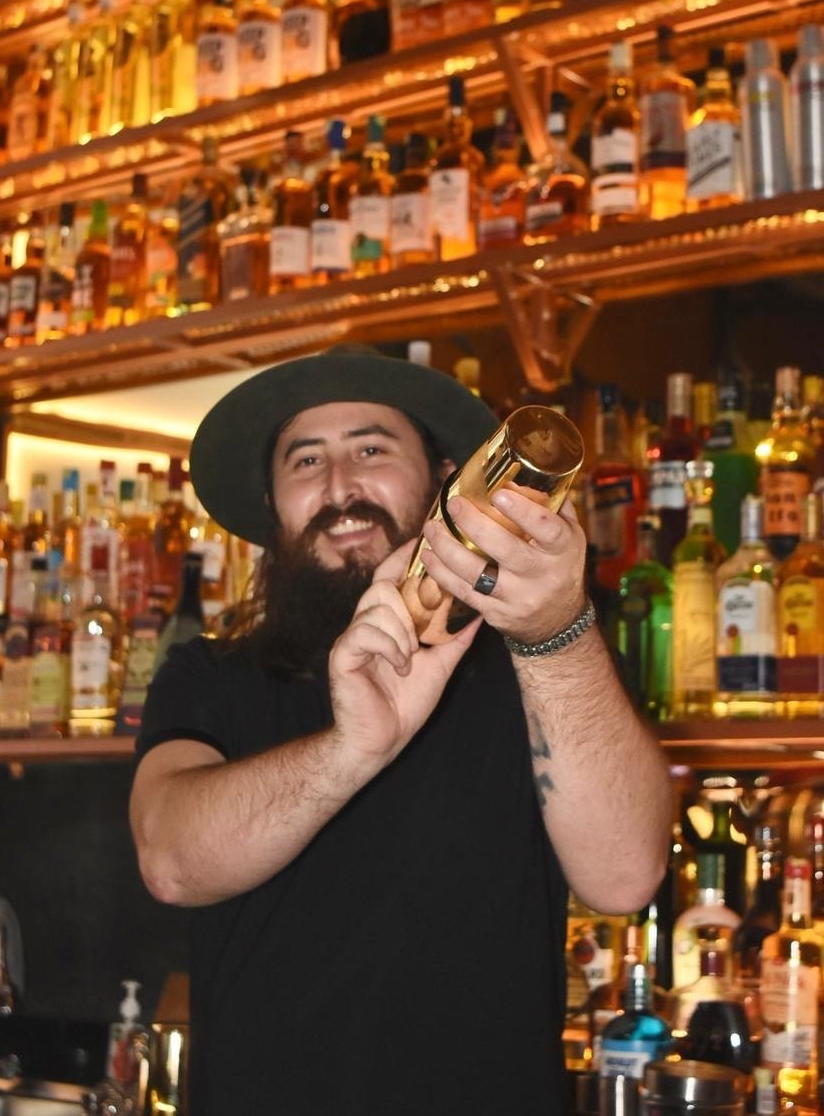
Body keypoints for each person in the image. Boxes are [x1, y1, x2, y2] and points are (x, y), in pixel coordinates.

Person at [130, 347, 672, 1116]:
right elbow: (171, 863)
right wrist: (351, 750)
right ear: (271, 504)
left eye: (372, 450)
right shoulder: (211, 676)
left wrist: (553, 633)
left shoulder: (542, 660)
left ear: (446, 478)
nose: (339, 486)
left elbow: (625, 877)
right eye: (305, 460)